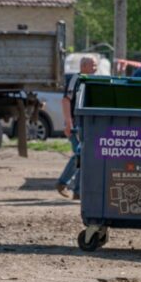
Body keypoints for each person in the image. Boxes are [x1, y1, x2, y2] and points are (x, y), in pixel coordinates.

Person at [56, 55, 98, 199]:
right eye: (93, 65)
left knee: (84, 157)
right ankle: (63, 182)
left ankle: (78, 192)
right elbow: (66, 101)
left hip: (85, 124)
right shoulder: (76, 79)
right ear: (84, 66)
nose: (95, 68)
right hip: (76, 124)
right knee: (79, 155)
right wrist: (69, 123)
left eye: (96, 65)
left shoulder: (91, 80)